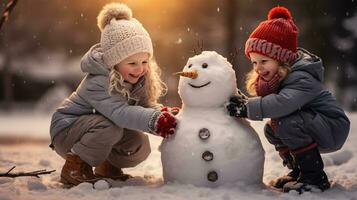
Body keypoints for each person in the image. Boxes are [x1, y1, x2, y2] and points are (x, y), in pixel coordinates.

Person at [49, 3, 177, 186]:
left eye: (144, 61)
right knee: (111, 127)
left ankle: (106, 166)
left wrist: (163, 112)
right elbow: (120, 113)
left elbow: (143, 106)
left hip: (99, 127)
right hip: (67, 130)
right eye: (132, 63)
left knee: (139, 143)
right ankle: (74, 167)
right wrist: (155, 121)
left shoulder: (136, 79)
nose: (140, 68)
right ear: (113, 62)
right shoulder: (98, 81)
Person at [226, 6, 350, 193]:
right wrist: (243, 102)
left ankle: (315, 178)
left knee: (286, 122)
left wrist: (248, 108)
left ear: (281, 59)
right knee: (272, 128)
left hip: (332, 125)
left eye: (263, 61)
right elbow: (275, 104)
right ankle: (299, 171)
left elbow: (283, 103)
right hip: (314, 123)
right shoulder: (278, 76)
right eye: (254, 62)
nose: (258, 68)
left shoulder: (302, 77)